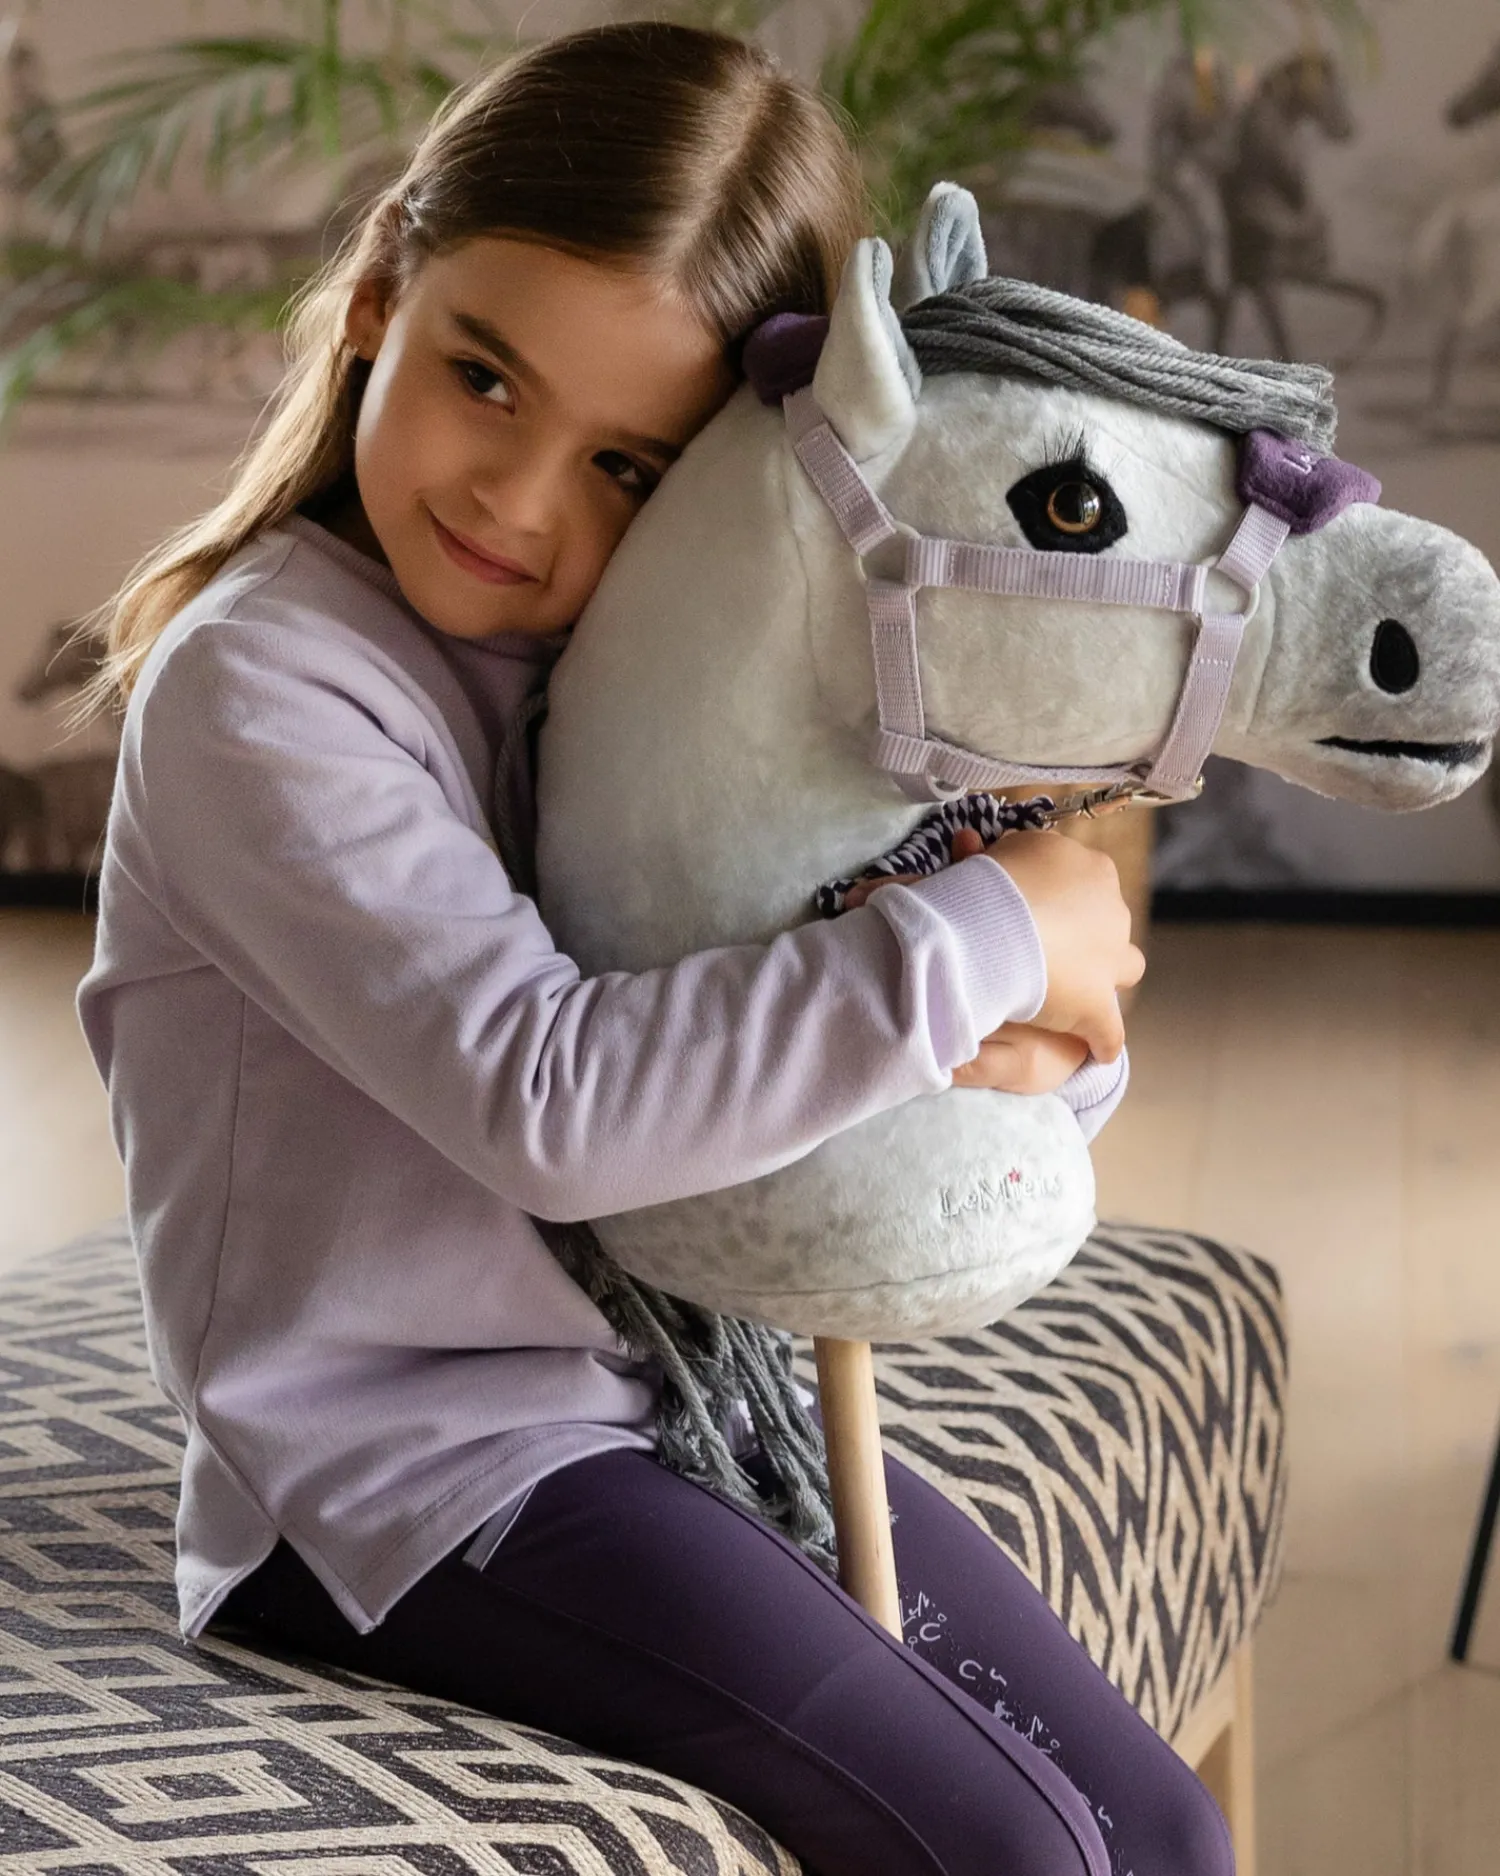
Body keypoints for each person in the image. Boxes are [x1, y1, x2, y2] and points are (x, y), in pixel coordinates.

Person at [75, 22, 1227, 1876]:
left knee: (1161, 1829)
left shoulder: (656, 696)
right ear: (376, 297)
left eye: (628, 464)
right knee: (1016, 1852)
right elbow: (553, 1105)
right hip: (402, 1481)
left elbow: (894, 1047)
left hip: (690, 1409)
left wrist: (1026, 1035)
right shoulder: (262, 691)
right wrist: (983, 941)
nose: (518, 501)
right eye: (484, 376)